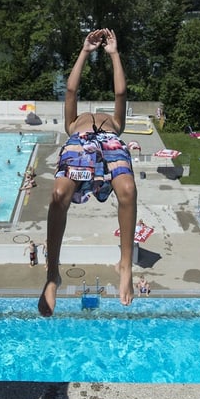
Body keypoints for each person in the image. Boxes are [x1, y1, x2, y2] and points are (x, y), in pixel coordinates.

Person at [40, 28, 136, 317]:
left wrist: (114, 54)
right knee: (58, 194)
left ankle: (125, 266)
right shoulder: (72, 123)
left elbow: (121, 92)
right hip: (79, 146)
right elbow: (70, 90)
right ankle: (52, 274)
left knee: (128, 190)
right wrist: (84, 52)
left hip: (110, 144)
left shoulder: (116, 124)